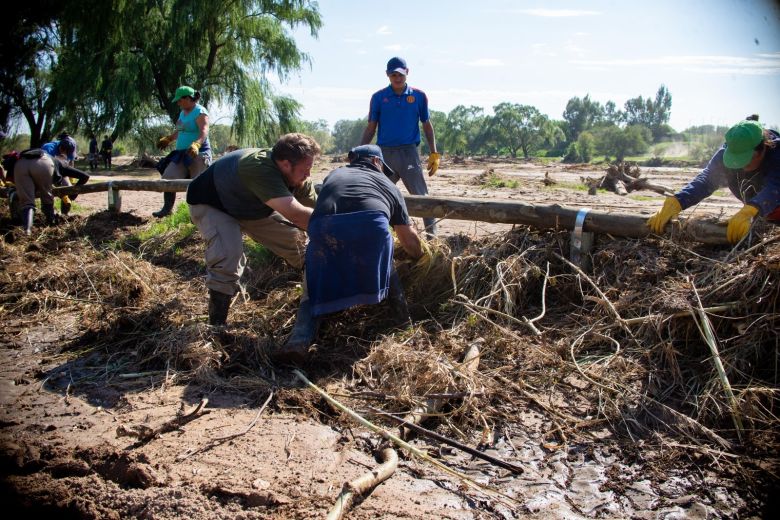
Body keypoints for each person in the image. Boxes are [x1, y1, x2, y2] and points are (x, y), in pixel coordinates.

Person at [271, 144, 424, 365]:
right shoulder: (388, 185)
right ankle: (403, 325)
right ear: (376, 162)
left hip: (325, 229)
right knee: (385, 261)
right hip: (370, 227)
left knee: (313, 284)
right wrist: (421, 257)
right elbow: (408, 239)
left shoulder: (335, 174)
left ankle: (299, 340)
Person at [186, 133, 321, 326]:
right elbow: (298, 215)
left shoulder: (298, 177)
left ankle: (317, 299)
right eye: (305, 169)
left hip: (250, 207)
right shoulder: (258, 169)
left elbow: (316, 210)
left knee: (301, 245)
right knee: (228, 256)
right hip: (213, 203)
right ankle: (216, 327)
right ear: (285, 164)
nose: (308, 174)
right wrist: (336, 230)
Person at [647, 119, 779, 244]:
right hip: (762, 213)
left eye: (746, 159)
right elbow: (707, 181)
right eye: (737, 160)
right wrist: (678, 200)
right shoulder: (725, 154)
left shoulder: (776, 154)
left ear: (763, 148)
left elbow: (775, 186)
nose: (741, 166)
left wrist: (752, 209)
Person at [361, 56, 441, 236]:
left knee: (421, 196)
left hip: (409, 154)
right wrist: (359, 151)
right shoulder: (379, 98)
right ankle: (382, 235)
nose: (397, 78)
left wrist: (434, 152)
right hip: (384, 156)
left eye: (401, 74)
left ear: (407, 73)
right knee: (380, 196)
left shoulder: (418, 96)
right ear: (387, 75)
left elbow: (427, 125)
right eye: (393, 75)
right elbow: (371, 128)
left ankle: (432, 237)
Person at [155, 85, 212, 218]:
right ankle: (167, 209)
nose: (178, 103)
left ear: (188, 98)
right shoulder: (182, 112)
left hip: (198, 153)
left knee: (197, 184)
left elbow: (204, 131)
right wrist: (169, 139)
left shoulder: (200, 112)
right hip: (180, 154)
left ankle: (198, 215)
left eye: (180, 100)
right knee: (168, 178)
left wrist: (197, 144)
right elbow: (180, 130)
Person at [41, 136, 90, 215]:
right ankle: (47, 213)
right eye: (66, 153)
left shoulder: (70, 148)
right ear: (61, 149)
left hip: (61, 170)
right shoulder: (48, 149)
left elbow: (70, 164)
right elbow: (45, 167)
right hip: (47, 171)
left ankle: (65, 214)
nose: (68, 155)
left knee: (68, 187)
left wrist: (71, 180)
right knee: (50, 191)